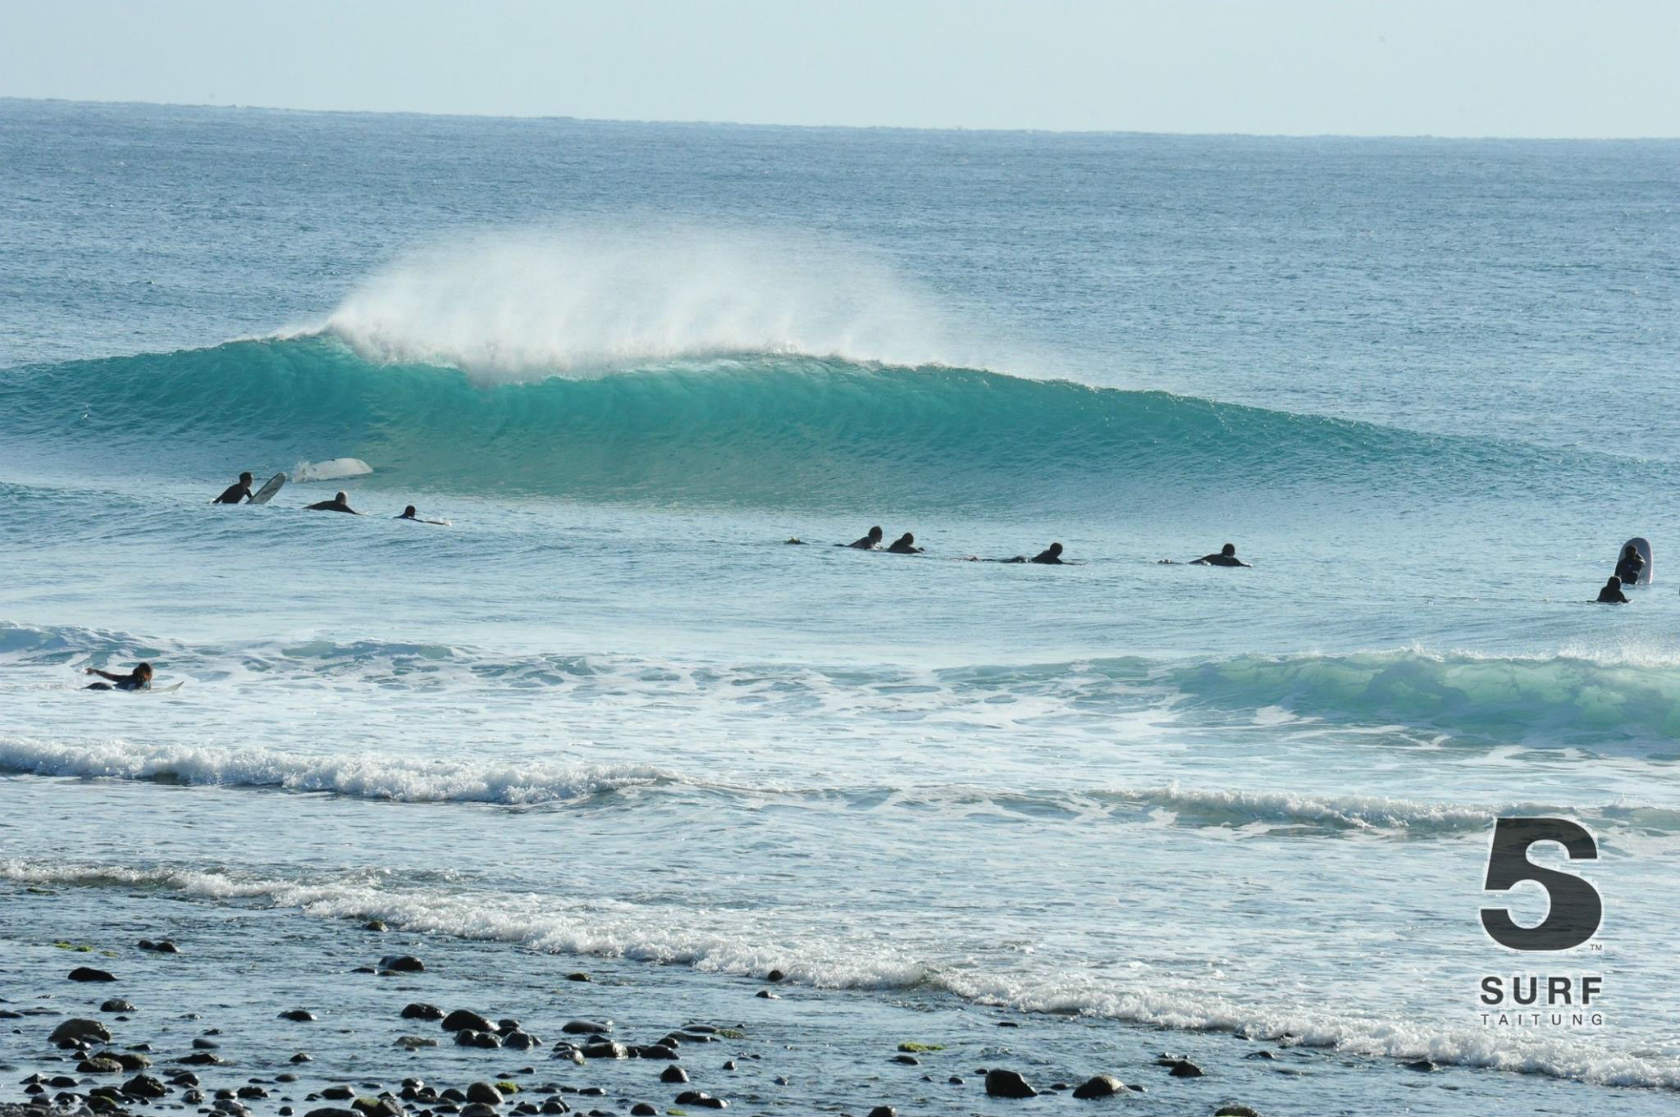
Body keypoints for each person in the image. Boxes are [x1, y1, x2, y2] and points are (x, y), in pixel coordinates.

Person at [85, 663, 153, 691]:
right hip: (110, 689)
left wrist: (95, 671)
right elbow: (137, 692)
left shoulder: (129, 678)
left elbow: (111, 676)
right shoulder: (145, 683)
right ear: (146, 673)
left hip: (103, 685)